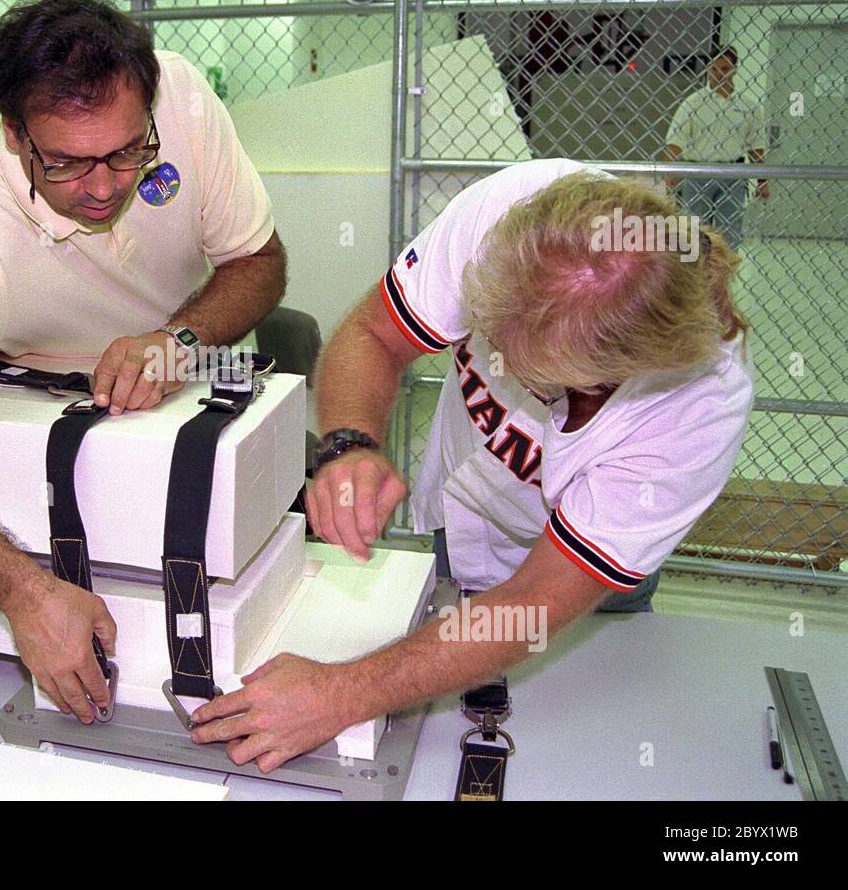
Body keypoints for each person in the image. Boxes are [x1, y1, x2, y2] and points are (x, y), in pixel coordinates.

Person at [189, 159, 753, 772]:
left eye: (532, 378)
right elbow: (375, 336)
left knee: (577, 755)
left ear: (614, 378)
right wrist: (349, 445)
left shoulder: (694, 411)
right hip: (462, 519)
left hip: (577, 590)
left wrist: (340, 693)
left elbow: (535, 602)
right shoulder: (517, 215)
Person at [0, 0, 286, 725]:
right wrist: (24, 593)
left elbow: (258, 262)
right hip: (52, 443)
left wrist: (178, 341)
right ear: (16, 136)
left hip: (196, 406)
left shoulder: (186, 104)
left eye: (125, 151)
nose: (105, 186)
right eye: (70, 163)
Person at [664, 46, 769, 248]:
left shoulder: (749, 107)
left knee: (729, 233)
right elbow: (675, 141)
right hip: (698, 172)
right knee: (694, 231)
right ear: (708, 69)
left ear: (734, 70)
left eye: (725, 68)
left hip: (733, 174)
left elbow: (756, 145)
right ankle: (695, 274)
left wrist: (762, 181)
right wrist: (670, 174)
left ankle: (725, 274)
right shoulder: (692, 104)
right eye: (715, 68)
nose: (719, 73)